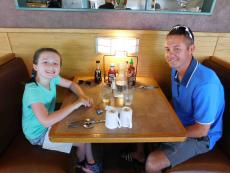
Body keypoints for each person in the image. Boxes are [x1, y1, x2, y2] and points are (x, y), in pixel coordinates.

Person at [122, 25, 225, 173]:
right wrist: (157, 115)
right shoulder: (175, 69)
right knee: (143, 116)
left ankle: (148, 158)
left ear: (191, 49)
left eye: (177, 49)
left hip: (201, 138)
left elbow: (201, 130)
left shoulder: (206, 84)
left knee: (153, 163)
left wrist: (167, 132)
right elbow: (176, 101)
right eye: (167, 49)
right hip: (178, 122)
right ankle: (140, 154)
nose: (170, 54)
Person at [22, 48, 101, 173]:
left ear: (59, 67)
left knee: (86, 129)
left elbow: (71, 84)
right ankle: (81, 165)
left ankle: (90, 162)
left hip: (50, 122)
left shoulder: (52, 78)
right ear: (35, 66)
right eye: (45, 62)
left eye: (55, 63)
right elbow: (46, 121)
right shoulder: (33, 90)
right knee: (82, 141)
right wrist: (76, 104)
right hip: (37, 134)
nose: (51, 66)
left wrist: (82, 96)